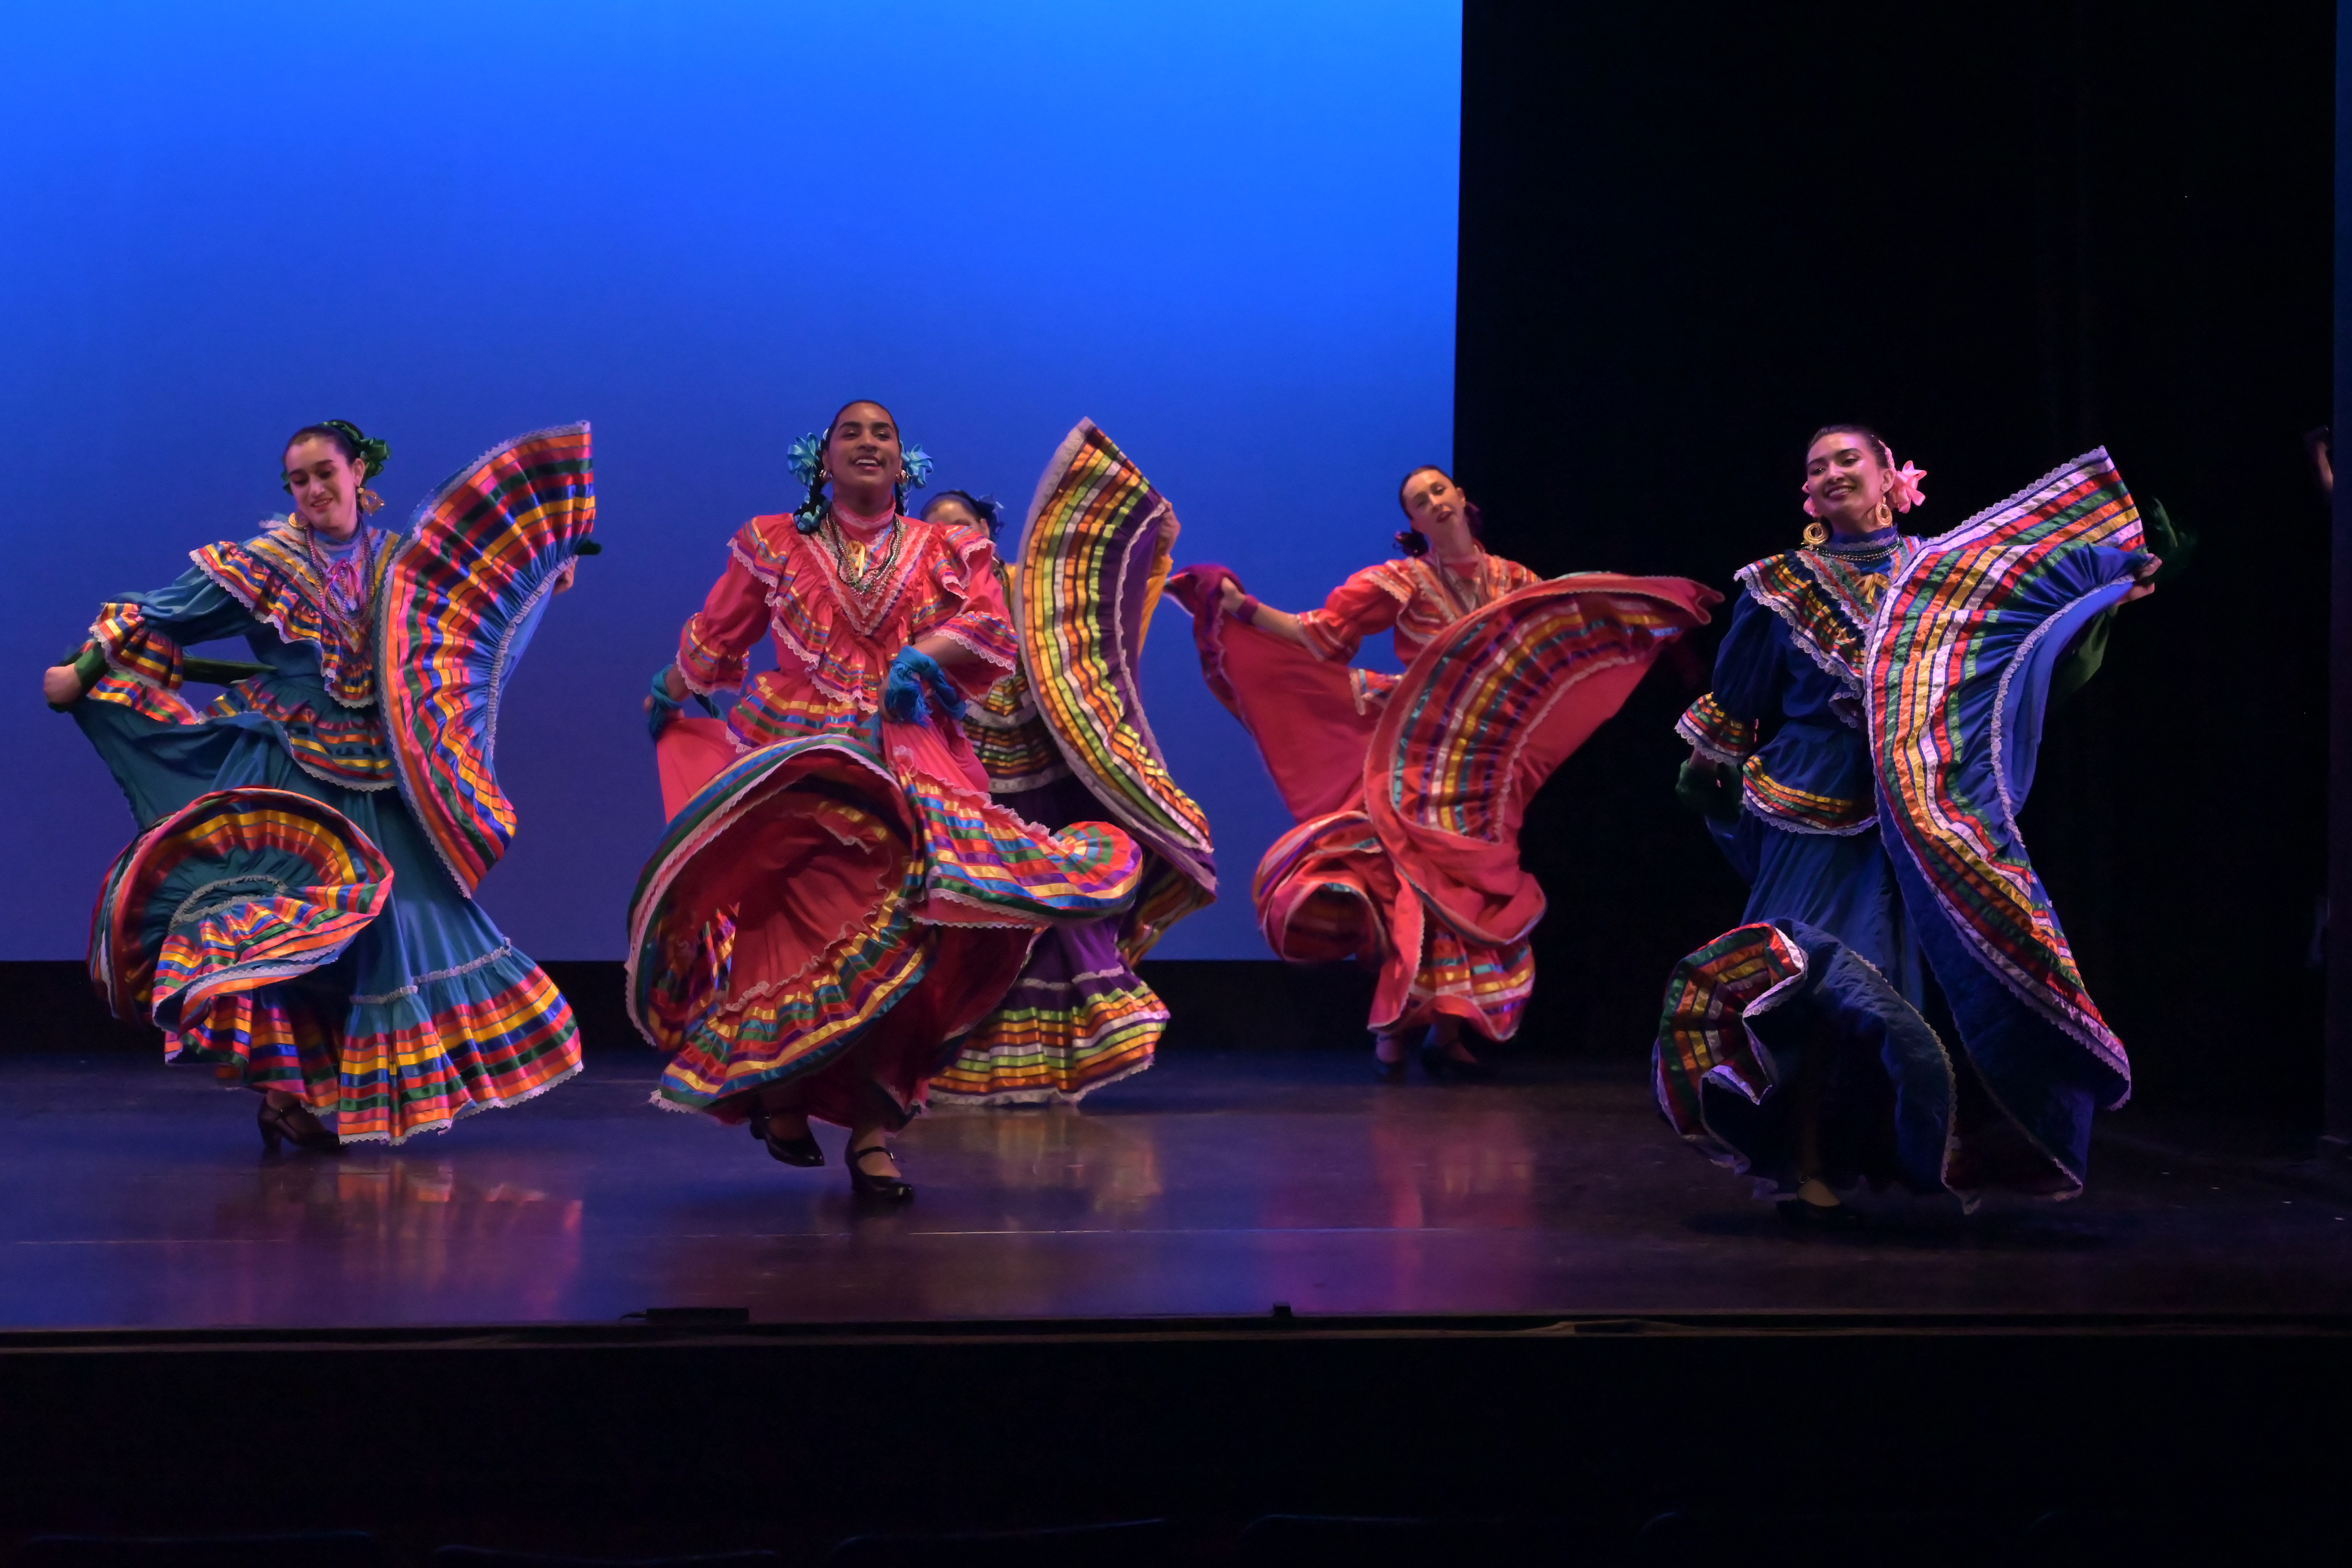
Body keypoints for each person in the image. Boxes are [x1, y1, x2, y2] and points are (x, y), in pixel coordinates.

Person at [632, 402, 1146, 1199]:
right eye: (853, 433)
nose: (870, 443)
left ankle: (873, 1134)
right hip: (801, 760)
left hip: (910, 758)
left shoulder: (947, 546)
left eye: (885, 435)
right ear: (822, 458)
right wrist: (671, 688)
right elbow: (720, 635)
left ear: (904, 465)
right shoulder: (772, 542)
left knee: (914, 942)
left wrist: (921, 657)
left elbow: (989, 627)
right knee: (796, 923)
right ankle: (780, 1087)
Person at [1654, 425, 2164, 1219]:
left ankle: (1927, 1150)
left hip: (1916, 805)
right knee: (1814, 989)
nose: (1830, 473)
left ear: (1894, 477)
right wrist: (1709, 768)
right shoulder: (1780, 584)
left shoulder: (1945, 578)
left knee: (1919, 992)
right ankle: (1807, 1160)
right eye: (1816, 466)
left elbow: (2022, 644)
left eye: (1848, 459)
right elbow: (1741, 697)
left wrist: (2106, 591)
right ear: (1808, 496)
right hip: (1809, 810)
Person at [46, 419, 594, 1150]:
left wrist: (547, 572)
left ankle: (331, 1095)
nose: (313, 490)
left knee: (400, 927)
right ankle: (281, 1093)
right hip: (291, 769)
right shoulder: (264, 565)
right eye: (299, 480)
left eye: (324, 474)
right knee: (284, 927)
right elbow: (165, 613)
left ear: (358, 472)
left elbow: (474, 624)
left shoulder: (405, 564)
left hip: (380, 765)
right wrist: (82, 671)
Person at [1169, 466, 1717, 1081]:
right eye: (1417, 501)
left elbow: (1560, 632)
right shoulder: (1401, 581)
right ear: (1413, 523)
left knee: (1477, 890)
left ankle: (1447, 1028)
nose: (1432, 502)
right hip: (1424, 755)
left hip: (1490, 765)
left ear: (1461, 498)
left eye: (1438, 490)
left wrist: (1646, 617)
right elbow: (1320, 637)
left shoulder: (1514, 581)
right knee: (1424, 887)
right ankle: (1397, 1028)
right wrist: (1240, 606)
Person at [926, 422, 1217, 1105]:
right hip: (967, 780)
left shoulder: (1030, 587)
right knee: (986, 919)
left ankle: (1061, 1064)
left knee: (1060, 908)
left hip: (1048, 771)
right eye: (937, 530)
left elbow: (1097, 628)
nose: (952, 538)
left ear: (986, 531)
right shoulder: (919, 603)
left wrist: (1151, 546)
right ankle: (969, 1063)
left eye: (962, 525)